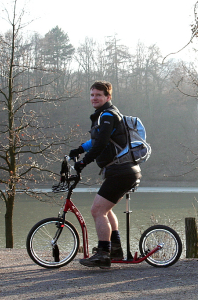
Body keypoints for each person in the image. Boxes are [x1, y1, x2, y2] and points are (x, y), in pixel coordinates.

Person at [68, 80, 142, 269]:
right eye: (92, 95)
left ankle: (103, 254)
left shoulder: (108, 115)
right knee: (105, 210)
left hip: (121, 171)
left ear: (108, 97)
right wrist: (79, 150)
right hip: (122, 171)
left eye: (99, 95)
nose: (94, 98)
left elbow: (100, 143)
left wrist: (83, 162)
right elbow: (97, 139)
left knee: (97, 210)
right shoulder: (103, 115)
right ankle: (114, 248)